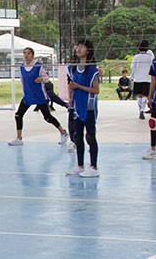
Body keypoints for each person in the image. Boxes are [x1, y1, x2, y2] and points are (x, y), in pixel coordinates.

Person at [8, 47, 68, 146]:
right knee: (18, 115)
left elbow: (46, 78)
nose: (26, 55)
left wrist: (41, 78)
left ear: (32, 55)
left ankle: (63, 133)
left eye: (28, 53)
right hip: (28, 96)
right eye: (24, 53)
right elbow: (23, 81)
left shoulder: (38, 66)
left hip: (39, 95)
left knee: (47, 117)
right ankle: (19, 138)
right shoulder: (21, 67)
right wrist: (24, 93)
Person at [65, 39, 101, 177]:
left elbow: (96, 90)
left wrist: (78, 87)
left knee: (90, 136)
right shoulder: (72, 68)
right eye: (77, 46)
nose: (78, 49)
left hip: (89, 107)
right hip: (77, 107)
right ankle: (80, 165)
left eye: (82, 47)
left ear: (88, 50)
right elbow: (70, 84)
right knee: (77, 136)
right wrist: (70, 97)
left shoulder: (92, 70)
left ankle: (94, 167)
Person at [130, 40, 155, 119]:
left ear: (138, 48)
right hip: (147, 78)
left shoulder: (136, 57)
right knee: (145, 95)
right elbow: (153, 67)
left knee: (139, 95)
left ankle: (140, 110)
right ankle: (142, 109)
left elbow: (132, 67)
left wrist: (132, 76)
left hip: (138, 78)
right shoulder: (150, 57)